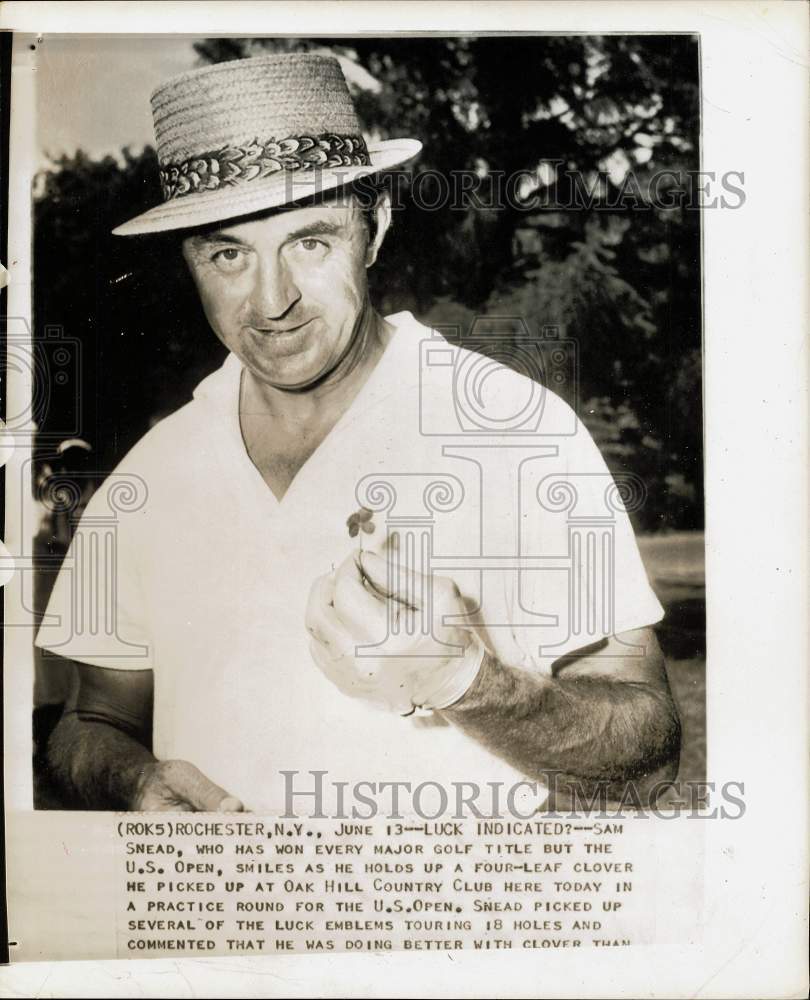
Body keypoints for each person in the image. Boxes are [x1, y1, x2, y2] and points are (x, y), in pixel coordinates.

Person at [37, 53, 680, 814]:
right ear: (190, 262)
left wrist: (466, 682)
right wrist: (132, 778)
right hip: (225, 924)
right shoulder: (153, 473)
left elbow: (648, 756)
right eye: (229, 254)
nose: (271, 302)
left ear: (374, 232)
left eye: (310, 242)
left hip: (449, 920)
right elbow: (91, 719)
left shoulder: (517, 432)